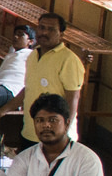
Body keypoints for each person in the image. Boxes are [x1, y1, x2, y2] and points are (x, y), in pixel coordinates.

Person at [20, 13, 85, 145]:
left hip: (55, 137)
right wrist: (3, 110)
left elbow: (73, 98)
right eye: (41, 27)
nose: (44, 32)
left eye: (51, 29)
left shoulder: (69, 60)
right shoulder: (33, 54)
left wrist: (64, 129)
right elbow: (28, 89)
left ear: (61, 34)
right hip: (31, 132)